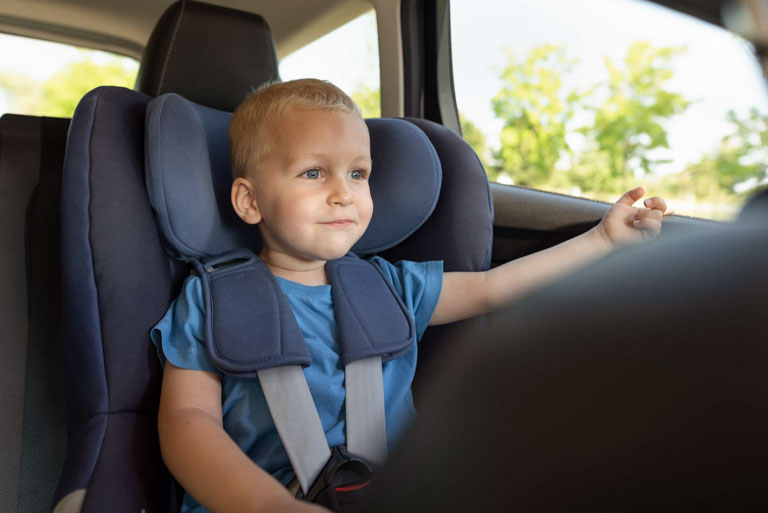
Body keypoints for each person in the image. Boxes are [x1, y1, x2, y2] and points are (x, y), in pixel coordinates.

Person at [151, 78, 669, 513]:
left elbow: (493, 288)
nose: (343, 192)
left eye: (358, 173)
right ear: (248, 200)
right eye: (314, 172)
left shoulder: (391, 287)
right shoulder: (212, 298)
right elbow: (187, 421)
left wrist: (602, 240)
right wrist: (269, 506)